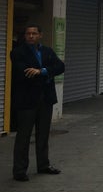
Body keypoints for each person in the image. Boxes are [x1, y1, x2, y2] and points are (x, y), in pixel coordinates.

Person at [11, 24, 65, 182]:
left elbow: (60, 66)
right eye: (28, 33)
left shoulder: (47, 51)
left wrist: (42, 71)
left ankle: (43, 165)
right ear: (25, 36)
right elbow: (24, 72)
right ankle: (20, 170)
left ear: (40, 35)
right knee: (24, 135)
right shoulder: (17, 52)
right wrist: (45, 72)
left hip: (45, 99)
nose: (31, 36)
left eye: (34, 33)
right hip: (27, 100)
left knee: (43, 134)